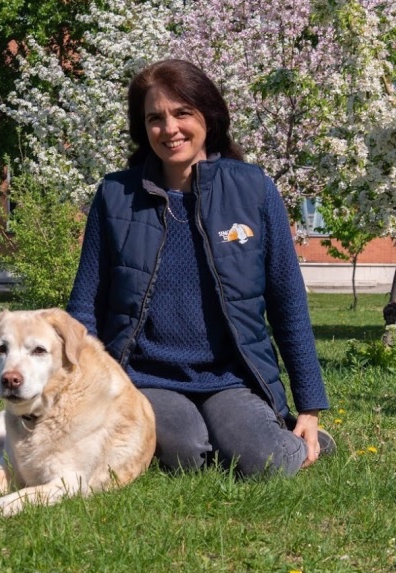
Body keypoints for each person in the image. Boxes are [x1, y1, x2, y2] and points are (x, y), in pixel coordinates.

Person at [65, 59, 334, 477]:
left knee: (265, 461)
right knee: (187, 452)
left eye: (182, 113)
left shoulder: (255, 189)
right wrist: (78, 391)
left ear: (208, 116)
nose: (169, 129)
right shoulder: (116, 196)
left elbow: (288, 302)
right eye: (155, 118)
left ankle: (276, 437)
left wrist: (310, 408)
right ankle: (207, 442)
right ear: (143, 129)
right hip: (145, 376)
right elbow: (85, 304)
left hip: (231, 377)